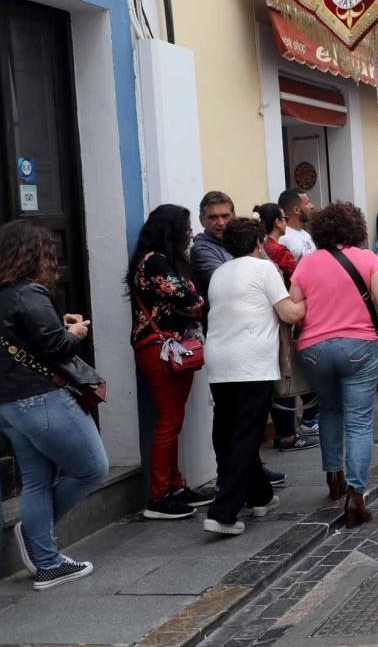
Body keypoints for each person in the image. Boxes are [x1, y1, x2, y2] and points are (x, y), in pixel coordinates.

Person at [0, 221, 109, 589]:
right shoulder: (28, 291)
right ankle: (38, 537)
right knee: (92, 468)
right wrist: (74, 333)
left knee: (37, 480)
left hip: (4, 406)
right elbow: (57, 348)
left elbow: (26, 336)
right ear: (33, 255)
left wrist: (56, 325)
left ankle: (48, 562)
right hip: (40, 400)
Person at [202, 218, 306, 535]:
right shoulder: (263, 269)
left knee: (228, 429)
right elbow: (289, 312)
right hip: (252, 363)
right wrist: (308, 299)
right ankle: (224, 513)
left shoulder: (220, 273)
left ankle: (259, 496)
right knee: (247, 435)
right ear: (259, 244)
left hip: (219, 362)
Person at [291, 201, 378, 523]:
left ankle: (333, 476)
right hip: (358, 346)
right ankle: (355, 492)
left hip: (314, 349)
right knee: (360, 422)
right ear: (356, 228)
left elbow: (296, 308)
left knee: (329, 410)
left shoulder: (307, 263)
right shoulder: (368, 259)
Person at [128, 205, 210, 521]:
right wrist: (197, 302)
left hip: (170, 346)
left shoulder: (158, 260)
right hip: (160, 347)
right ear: (172, 230)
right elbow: (190, 302)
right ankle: (158, 496)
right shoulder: (155, 262)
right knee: (168, 420)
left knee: (173, 419)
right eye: (186, 227)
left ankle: (175, 487)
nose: (190, 233)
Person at [255, 203, 319, 453]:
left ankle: (290, 430)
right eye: (282, 218)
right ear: (277, 222)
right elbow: (297, 278)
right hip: (286, 315)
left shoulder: (265, 250)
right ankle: (292, 432)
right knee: (289, 373)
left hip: (272, 318)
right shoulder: (278, 252)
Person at [190, 191, 235, 299]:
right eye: (213, 217)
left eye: (225, 216)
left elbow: (275, 274)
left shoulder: (247, 240)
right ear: (202, 220)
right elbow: (229, 285)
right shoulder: (201, 250)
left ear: (234, 216)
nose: (220, 223)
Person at [278, 187, 316, 261]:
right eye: (307, 203)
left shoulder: (306, 234)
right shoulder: (284, 238)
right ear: (296, 210)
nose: (312, 206)